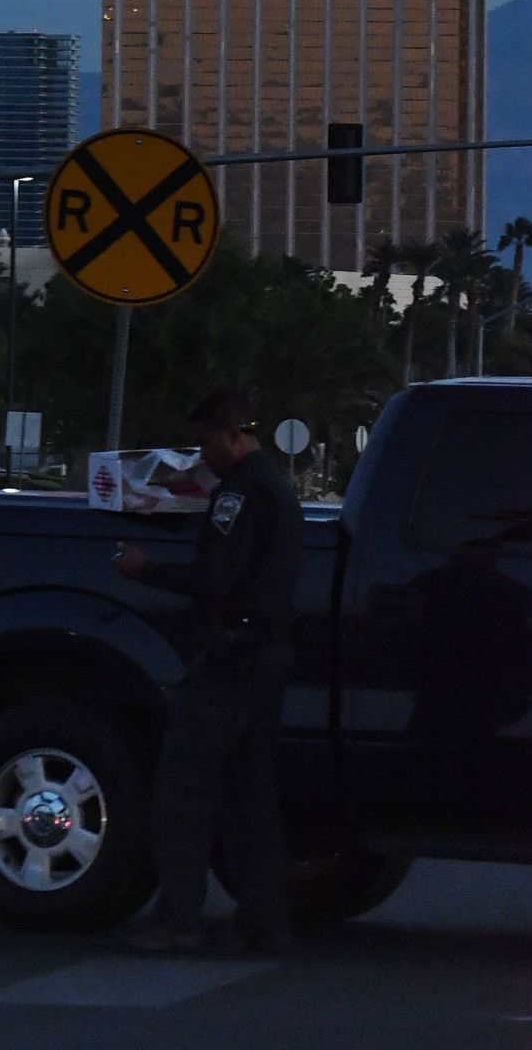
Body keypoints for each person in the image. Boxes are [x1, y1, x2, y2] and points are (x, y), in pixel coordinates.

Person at [113, 392, 304, 955]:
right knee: (250, 793)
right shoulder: (278, 490)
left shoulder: (241, 494)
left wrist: (146, 570)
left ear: (232, 436)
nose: (203, 456)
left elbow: (214, 577)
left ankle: (178, 919)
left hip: (234, 656)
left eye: (206, 443)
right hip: (266, 654)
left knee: (183, 785)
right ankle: (265, 919)